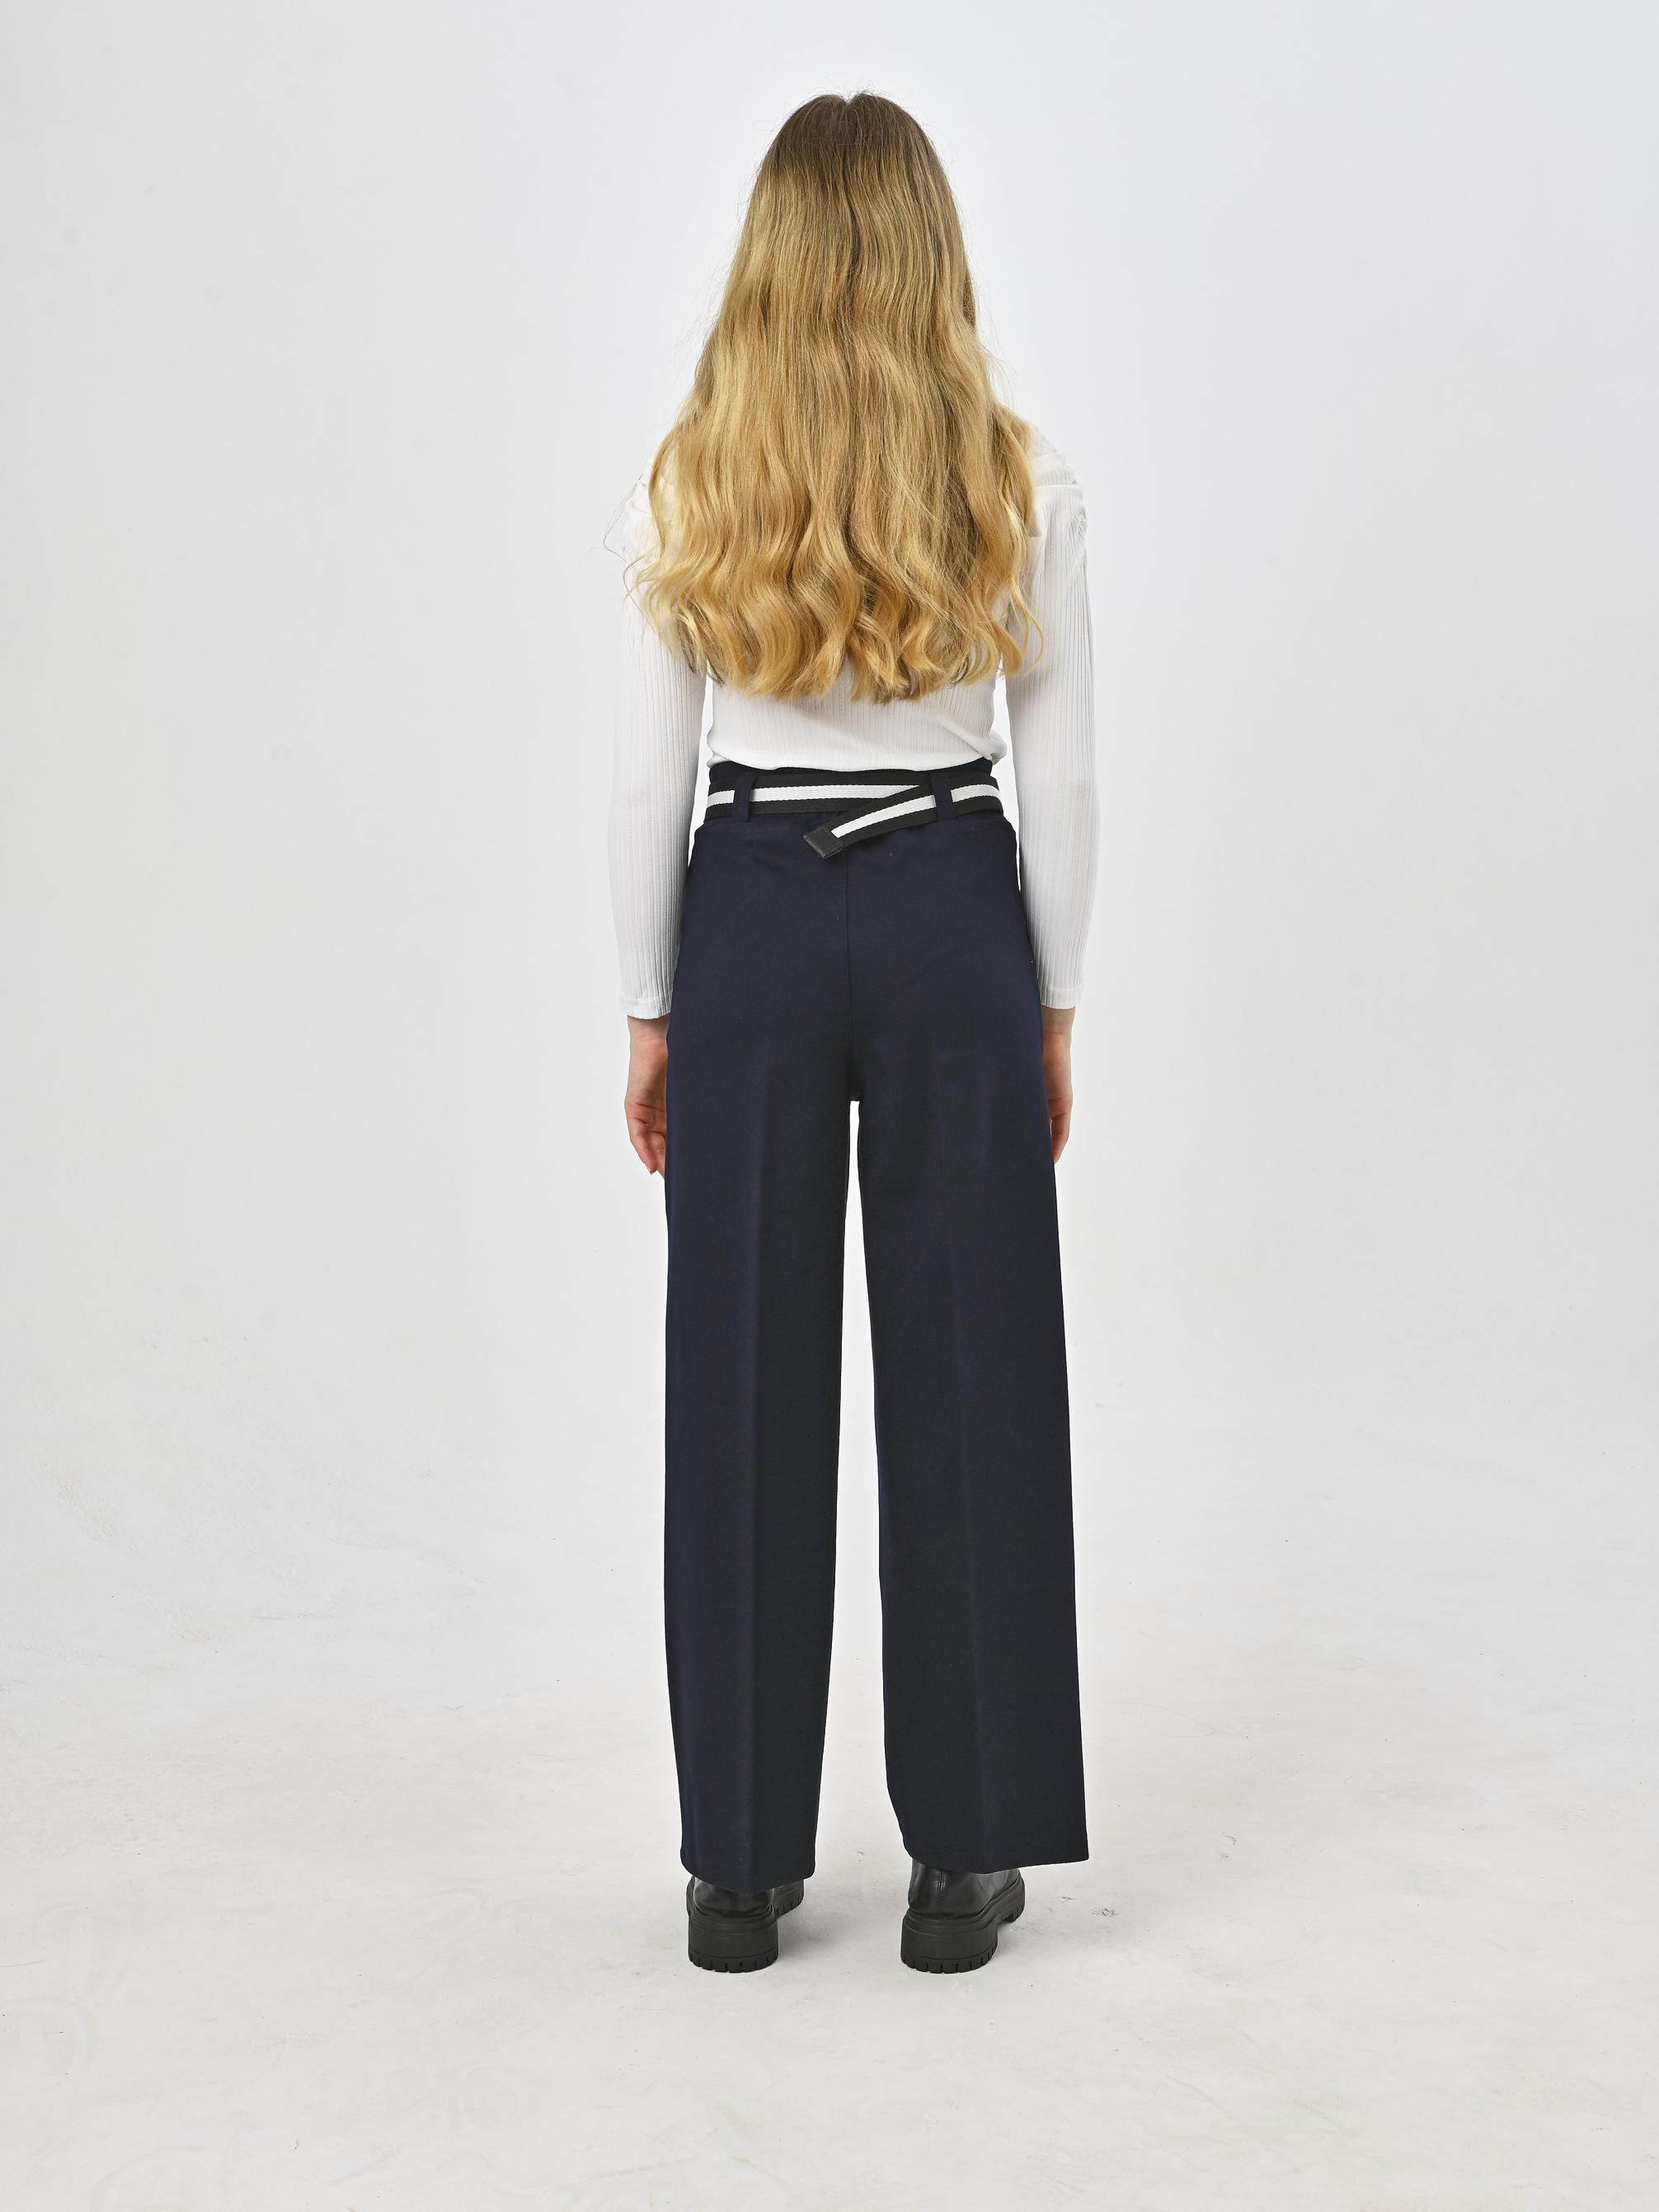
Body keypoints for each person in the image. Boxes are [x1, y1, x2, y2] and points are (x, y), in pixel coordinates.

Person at [604, 91, 1098, 1975]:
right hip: (953, 901)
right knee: (972, 1359)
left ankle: (737, 1869)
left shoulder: (691, 480)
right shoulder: (1020, 480)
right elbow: (1066, 776)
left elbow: (645, 777)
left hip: (744, 907)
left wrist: (649, 1009)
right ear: (930, 255)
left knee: (738, 1355)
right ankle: (964, 1862)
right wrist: (1049, 1000)